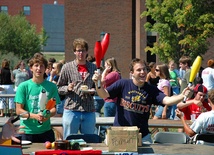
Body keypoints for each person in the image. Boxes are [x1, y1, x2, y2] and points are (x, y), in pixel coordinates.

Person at [92, 58, 191, 144]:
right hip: (120, 133)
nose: (143, 72)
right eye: (138, 70)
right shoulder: (122, 84)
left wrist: (182, 95)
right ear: (132, 73)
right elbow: (103, 94)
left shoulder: (151, 89)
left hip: (142, 136)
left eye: (144, 69)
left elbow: (167, 100)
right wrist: (97, 84)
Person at [15, 54, 61, 143]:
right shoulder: (23, 86)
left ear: (45, 68)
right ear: (31, 68)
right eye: (36, 65)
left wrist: (47, 114)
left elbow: (53, 109)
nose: (39, 68)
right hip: (26, 132)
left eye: (41, 66)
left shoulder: (52, 87)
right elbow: (18, 110)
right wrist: (35, 116)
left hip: (46, 132)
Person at [57, 38, 97, 139]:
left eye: (83, 50)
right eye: (78, 50)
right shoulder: (67, 67)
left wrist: (93, 91)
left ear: (87, 51)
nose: (81, 53)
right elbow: (58, 87)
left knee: (89, 140)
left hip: (88, 109)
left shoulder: (93, 67)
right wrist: (67, 88)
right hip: (71, 109)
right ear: (74, 52)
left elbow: (97, 87)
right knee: (69, 140)